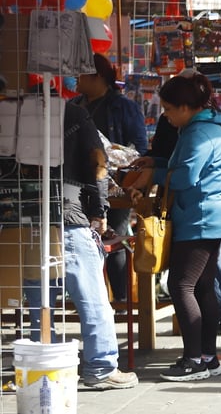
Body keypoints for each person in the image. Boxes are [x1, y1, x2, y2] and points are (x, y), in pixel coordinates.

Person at [24, 99, 138, 390]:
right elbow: (97, 162)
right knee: (92, 298)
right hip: (68, 215)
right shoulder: (72, 113)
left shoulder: (12, 112)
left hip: (22, 218)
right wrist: (99, 212)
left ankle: (43, 366)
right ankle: (101, 367)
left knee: (41, 301)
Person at [130, 73, 221, 381]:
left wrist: (156, 175)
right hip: (210, 215)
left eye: (168, 109)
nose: (165, 115)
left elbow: (184, 177)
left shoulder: (197, 133)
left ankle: (193, 360)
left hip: (199, 217)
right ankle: (207, 357)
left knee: (181, 285)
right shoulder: (215, 124)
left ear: (185, 107)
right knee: (202, 286)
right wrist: (157, 166)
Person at [72, 53, 147, 303]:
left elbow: (140, 149)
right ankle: (90, 298)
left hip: (115, 184)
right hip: (77, 185)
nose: (76, 79)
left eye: (81, 73)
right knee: (81, 240)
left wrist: (121, 166)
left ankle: (122, 298)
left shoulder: (124, 107)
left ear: (99, 76)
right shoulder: (74, 106)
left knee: (114, 237)